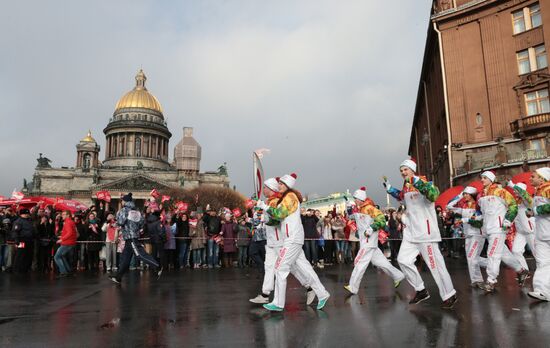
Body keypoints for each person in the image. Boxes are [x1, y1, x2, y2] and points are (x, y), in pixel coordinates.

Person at [385, 158, 457, 309]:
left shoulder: (424, 183)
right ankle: (421, 290)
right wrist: (390, 189)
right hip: (411, 232)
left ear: (412, 170)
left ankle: (449, 294)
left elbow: (433, 195)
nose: (403, 172)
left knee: (435, 266)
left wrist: (417, 182)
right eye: (401, 170)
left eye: (405, 169)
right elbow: (402, 197)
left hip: (425, 233)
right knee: (403, 260)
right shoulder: (406, 187)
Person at [258, 173, 330, 311]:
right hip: (292, 238)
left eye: (280, 184)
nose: (278, 186)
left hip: (292, 239)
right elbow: (277, 219)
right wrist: (266, 218)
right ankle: (322, 293)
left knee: (280, 268)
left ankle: (278, 303)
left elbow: (280, 214)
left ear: (286, 186)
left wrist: (264, 206)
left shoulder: (290, 197)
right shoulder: (286, 197)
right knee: (305, 268)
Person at [250, 177, 316, 306]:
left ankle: (309, 287)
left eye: (265, 187)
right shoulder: (269, 201)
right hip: (270, 241)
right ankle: (265, 294)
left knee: (292, 268)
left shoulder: (275, 201)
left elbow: (276, 219)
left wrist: (265, 218)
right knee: (269, 267)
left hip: (280, 240)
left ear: (271, 189)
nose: (263, 189)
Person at [344, 187, 405, 295]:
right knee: (381, 262)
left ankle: (353, 287)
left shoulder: (369, 208)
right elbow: (351, 217)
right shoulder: (360, 209)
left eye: (355, 198)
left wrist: (371, 228)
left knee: (359, 262)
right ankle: (398, 276)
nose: (355, 200)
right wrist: (348, 206)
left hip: (368, 242)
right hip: (367, 242)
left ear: (360, 199)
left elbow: (381, 219)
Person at [476, 170, 528, 293]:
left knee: (492, 254)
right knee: (504, 254)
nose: (482, 180)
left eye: (484, 178)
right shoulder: (481, 196)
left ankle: (491, 281)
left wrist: (507, 221)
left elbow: (513, 206)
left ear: (491, 179)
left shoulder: (501, 192)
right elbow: (480, 212)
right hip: (488, 229)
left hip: (499, 229)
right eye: (481, 178)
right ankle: (521, 271)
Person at [109, 193, 161, 284]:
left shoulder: (123, 210)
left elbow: (120, 222)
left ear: (125, 201)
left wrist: (114, 222)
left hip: (130, 237)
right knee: (125, 259)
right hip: (132, 236)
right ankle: (118, 277)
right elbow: (142, 223)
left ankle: (157, 266)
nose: (121, 202)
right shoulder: (137, 211)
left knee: (140, 254)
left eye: (122, 200)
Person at [447, 186, 487, 288]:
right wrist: (459, 195)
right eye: (464, 194)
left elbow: (479, 223)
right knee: (470, 258)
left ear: (472, 195)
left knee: (473, 258)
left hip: (477, 235)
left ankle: (492, 264)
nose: (465, 196)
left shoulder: (478, 206)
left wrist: (466, 220)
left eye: (466, 194)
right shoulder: (464, 206)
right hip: (468, 235)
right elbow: (449, 206)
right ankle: (476, 280)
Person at [520, 168, 550, 301]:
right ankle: (541, 291)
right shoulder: (537, 192)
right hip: (541, 233)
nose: (530, 179)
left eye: (533, 176)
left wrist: (535, 211)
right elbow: (535, 209)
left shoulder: (548, 188)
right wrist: (530, 211)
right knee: (542, 262)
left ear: (542, 178)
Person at [509, 182, 536, 273]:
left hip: (530, 231)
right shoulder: (516, 201)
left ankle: (545, 272)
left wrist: (513, 185)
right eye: (514, 189)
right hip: (520, 232)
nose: (514, 191)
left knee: (537, 254)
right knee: (516, 251)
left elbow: (525, 196)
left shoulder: (527, 200)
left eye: (516, 189)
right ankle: (525, 271)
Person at [54, 210, 78, 278]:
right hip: (70, 242)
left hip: (66, 243)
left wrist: (62, 239)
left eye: (64, 214)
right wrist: (61, 236)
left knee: (57, 257)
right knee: (61, 256)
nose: (62, 215)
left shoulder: (67, 222)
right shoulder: (71, 222)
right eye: (62, 214)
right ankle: (68, 271)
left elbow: (70, 233)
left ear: (68, 215)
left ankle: (63, 272)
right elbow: (71, 232)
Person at [12, 208, 36, 273]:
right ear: (21, 214)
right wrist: (16, 239)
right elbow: (15, 231)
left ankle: (25, 268)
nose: (26, 215)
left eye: (27, 214)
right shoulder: (18, 221)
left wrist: (35, 236)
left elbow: (32, 230)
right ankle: (17, 269)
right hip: (21, 240)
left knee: (29, 255)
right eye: (25, 214)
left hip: (30, 240)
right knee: (20, 255)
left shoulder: (30, 221)